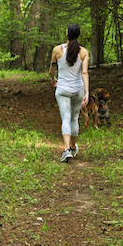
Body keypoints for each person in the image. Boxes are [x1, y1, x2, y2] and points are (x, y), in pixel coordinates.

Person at [48, 24, 89, 162]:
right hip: (78, 89)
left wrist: (53, 79)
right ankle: (72, 147)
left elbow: (52, 70)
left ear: (67, 34)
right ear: (78, 35)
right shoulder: (83, 52)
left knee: (65, 118)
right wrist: (87, 92)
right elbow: (84, 72)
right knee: (74, 118)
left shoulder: (57, 50)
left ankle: (66, 150)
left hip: (63, 89)